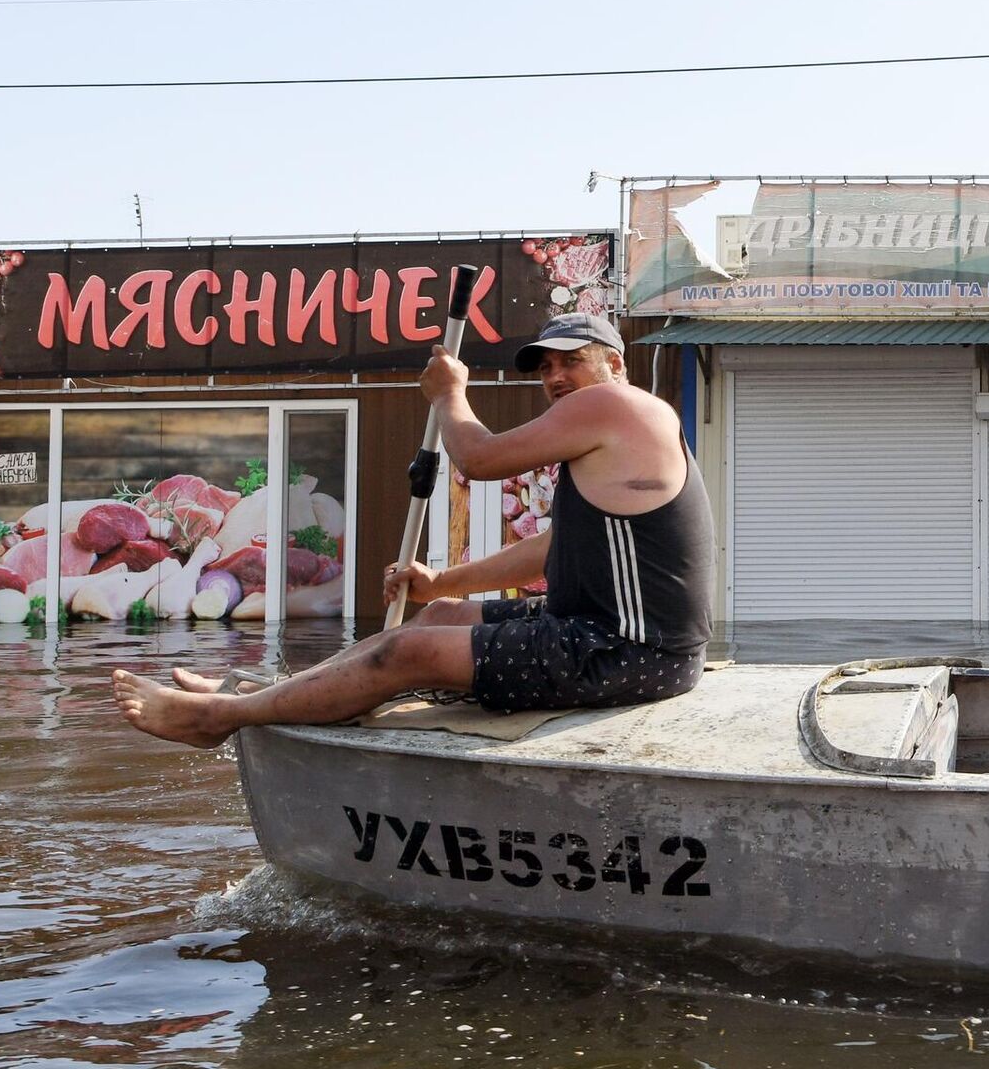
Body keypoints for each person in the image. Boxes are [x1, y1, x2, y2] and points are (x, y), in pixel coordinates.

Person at [112, 313, 714, 748]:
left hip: (627, 652)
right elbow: (554, 549)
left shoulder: (614, 404)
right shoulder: (616, 436)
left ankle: (220, 718)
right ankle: (270, 695)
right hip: (596, 632)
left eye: (570, 361)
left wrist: (451, 394)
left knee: (407, 649)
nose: (555, 377)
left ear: (615, 363)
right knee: (436, 619)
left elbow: (477, 460)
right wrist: (439, 583)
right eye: (546, 367)